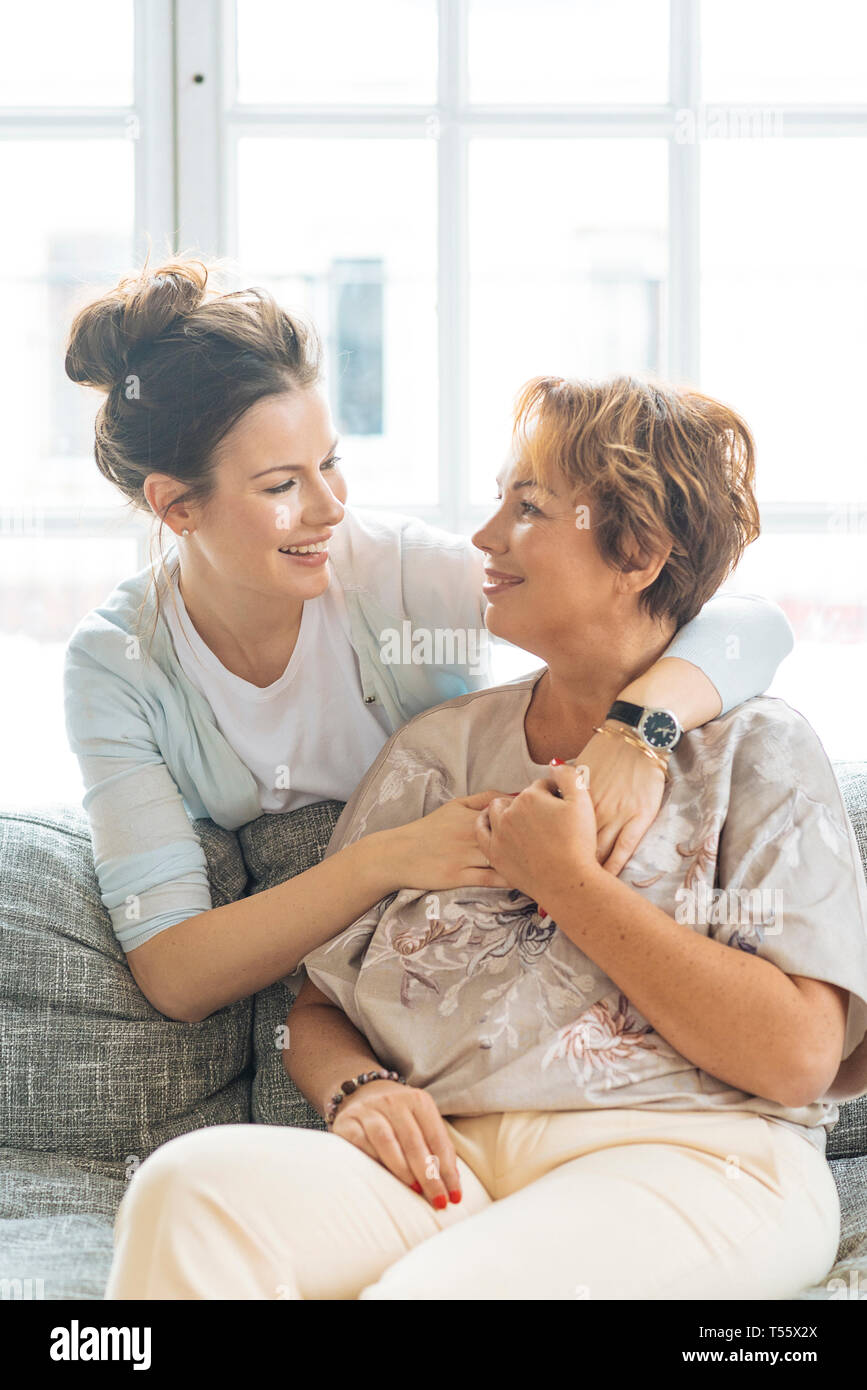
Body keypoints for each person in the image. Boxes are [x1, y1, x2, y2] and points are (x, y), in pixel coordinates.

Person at [103, 375, 867, 1301]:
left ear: (638, 552)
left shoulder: (757, 751)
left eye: (529, 506)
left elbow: (797, 1056)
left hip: (693, 1158)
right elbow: (318, 1009)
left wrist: (573, 884)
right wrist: (359, 1092)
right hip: (453, 1158)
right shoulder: (438, 751)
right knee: (187, 1193)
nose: (484, 536)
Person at [64, 257, 793, 1024]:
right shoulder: (116, 663)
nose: (329, 508)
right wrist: (383, 857)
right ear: (177, 507)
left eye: (331, 463)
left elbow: (750, 622)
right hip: (330, 981)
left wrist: (638, 732)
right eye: (281, 486)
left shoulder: (397, 577)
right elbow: (175, 971)